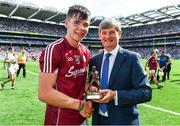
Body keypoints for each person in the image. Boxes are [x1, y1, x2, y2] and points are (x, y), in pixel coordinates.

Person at [88, 18, 152, 125]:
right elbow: (92, 85)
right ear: (99, 35)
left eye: (112, 32)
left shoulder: (132, 58)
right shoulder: (94, 60)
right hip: (98, 120)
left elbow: (146, 92)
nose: (107, 36)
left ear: (119, 34)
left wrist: (115, 95)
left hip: (124, 121)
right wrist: (92, 90)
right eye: (104, 33)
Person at [38, 5, 93, 125]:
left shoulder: (86, 52)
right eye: (77, 22)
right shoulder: (54, 49)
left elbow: (83, 83)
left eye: (85, 24)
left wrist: (90, 94)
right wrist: (79, 105)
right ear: (66, 23)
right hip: (60, 120)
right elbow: (44, 93)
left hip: (81, 119)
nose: (81, 28)